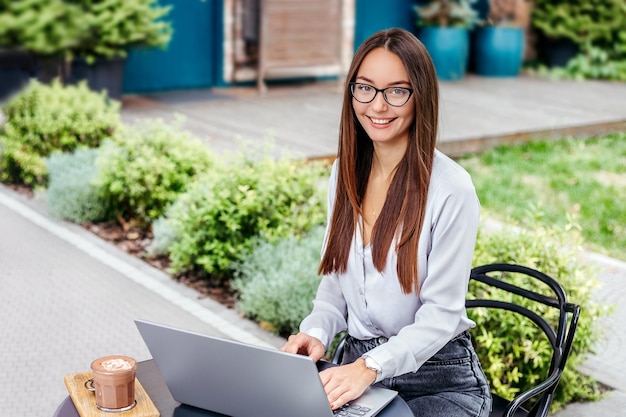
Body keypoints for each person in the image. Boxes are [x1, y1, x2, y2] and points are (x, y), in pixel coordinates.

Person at [281, 28, 492, 417]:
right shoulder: (345, 172)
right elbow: (335, 287)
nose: (377, 106)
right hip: (354, 365)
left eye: (397, 90)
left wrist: (369, 367)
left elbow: (442, 316)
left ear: (420, 96)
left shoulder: (451, 189)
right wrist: (315, 333)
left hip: (437, 377)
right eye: (365, 88)